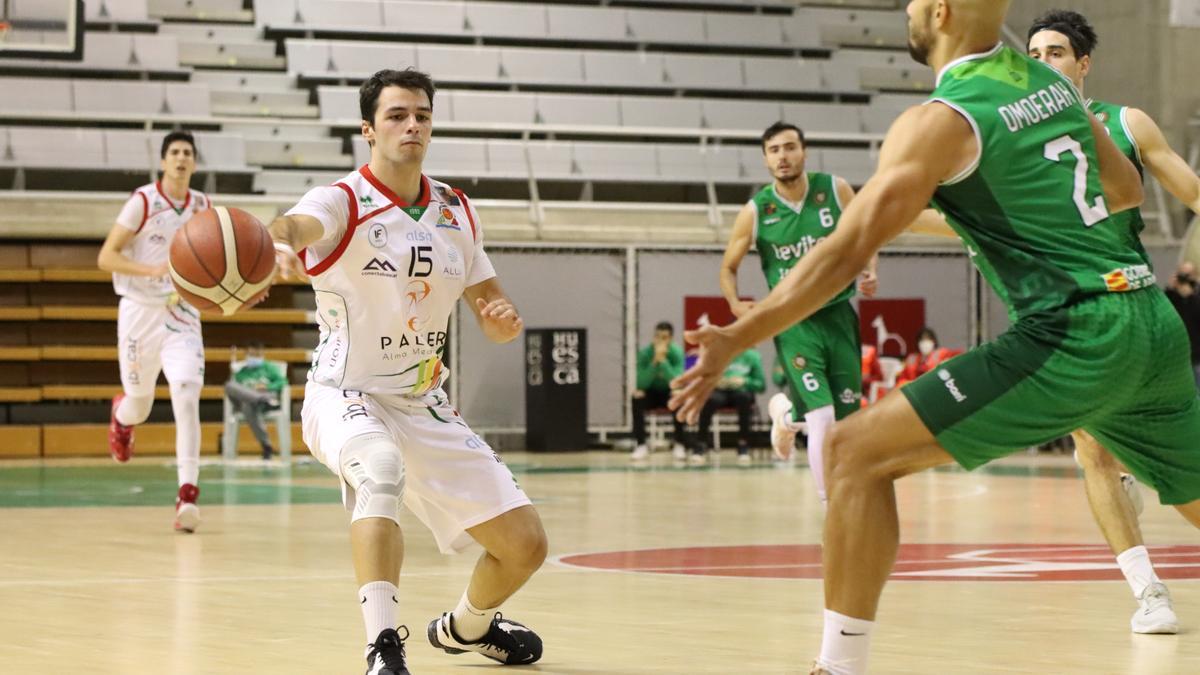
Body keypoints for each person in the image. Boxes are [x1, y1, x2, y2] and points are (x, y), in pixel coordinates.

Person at [670, 1, 1200, 672]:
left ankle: (838, 665)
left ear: (940, 12)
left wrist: (737, 335)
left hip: (1073, 330)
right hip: (1150, 319)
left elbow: (842, 251)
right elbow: (1124, 189)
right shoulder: (1051, 87)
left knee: (853, 454)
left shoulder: (940, 122)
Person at [269, 68, 546, 675]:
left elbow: (490, 302)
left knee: (526, 546)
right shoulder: (341, 201)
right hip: (345, 392)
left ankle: (465, 629)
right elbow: (292, 226)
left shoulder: (455, 208)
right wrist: (282, 243)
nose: (412, 124)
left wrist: (500, 319)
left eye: (421, 114)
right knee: (381, 469)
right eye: (397, 115)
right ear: (368, 129)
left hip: (422, 399)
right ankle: (383, 647)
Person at [718, 121, 878, 501]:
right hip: (792, 319)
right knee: (823, 415)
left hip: (839, 314)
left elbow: (868, 230)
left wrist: (871, 270)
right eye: (774, 150)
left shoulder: (835, 190)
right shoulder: (757, 210)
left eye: (789, 147)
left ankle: (787, 415)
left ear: (804, 151)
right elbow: (728, 267)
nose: (783, 156)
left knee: (844, 418)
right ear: (765, 159)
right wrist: (734, 303)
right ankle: (831, 504)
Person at [97, 130, 209, 533]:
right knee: (140, 403)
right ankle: (122, 417)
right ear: (164, 161)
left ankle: (187, 494)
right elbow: (106, 256)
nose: (181, 159)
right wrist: (152, 270)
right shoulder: (143, 201)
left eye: (188, 153)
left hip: (182, 314)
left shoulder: (203, 206)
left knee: (186, 391)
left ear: (194, 163)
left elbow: (215, 264)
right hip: (140, 311)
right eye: (175, 152)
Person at [690, 348, 765, 466]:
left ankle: (743, 444)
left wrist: (744, 381)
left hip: (741, 391)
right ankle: (700, 444)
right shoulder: (718, 353)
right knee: (709, 400)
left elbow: (761, 385)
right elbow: (704, 378)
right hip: (720, 391)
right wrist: (715, 382)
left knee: (744, 399)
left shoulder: (752, 356)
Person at [630, 321, 688, 461]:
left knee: (679, 397)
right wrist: (654, 363)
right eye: (657, 337)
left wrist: (663, 362)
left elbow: (677, 381)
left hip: (669, 392)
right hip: (650, 392)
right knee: (637, 397)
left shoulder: (677, 352)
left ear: (670, 339)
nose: (660, 340)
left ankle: (679, 444)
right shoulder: (645, 353)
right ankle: (641, 445)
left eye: (664, 337)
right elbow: (641, 382)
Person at [225, 342, 287, 460]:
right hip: (258, 401)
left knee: (247, 405)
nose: (254, 358)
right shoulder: (241, 373)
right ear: (246, 355)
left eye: (257, 355)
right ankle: (260, 400)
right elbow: (235, 391)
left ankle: (266, 445)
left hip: (266, 402)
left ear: (262, 354)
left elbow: (283, 383)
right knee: (230, 386)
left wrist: (267, 387)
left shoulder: (270, 368)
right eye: (252, 355)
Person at [1165, 261, 1200, 388]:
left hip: (1197, 354)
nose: (1184, 278)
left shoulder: (1197, 294)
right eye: (1182, 274)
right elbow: (1165, 314)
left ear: (1195, 276)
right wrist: (1170, 290)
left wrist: (1190, 297)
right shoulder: (1173, 294)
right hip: (1177, 353)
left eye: (1187, 275)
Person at [893, 326, 959, 387]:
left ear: (933, 341)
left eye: (927, 339)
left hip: (935, 388)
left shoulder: (941, 354)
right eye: (922, 340)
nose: (924, 343)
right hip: (915, 391)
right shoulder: (912, 358)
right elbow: (902, 379)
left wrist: (946, 362)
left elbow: (958, 356)